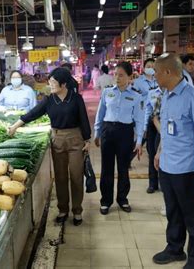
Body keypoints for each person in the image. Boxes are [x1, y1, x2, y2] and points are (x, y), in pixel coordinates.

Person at [151, 53, 194, 269]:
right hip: (168, 166)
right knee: (173, 211)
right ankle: (174, 248)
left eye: (156, 72)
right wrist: (160, 152)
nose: (154, 76)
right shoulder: (167, 95)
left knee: (193, 215)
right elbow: (168, 131)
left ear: (168, 72)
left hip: (187, 169)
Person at [9, 68, 91, 226]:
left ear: (64, 83)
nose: (50, 85)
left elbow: (83, 119)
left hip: (75, 140)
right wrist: (15, 126)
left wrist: (87, 140)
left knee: (76, 176)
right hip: (57, 139)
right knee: (60, 177)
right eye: (50, 82)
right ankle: (63, 210)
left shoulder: (76, 98)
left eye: (53, 82)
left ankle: (77, 211)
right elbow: (33, 114)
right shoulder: (49, 100)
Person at [94, 62, 142, 215]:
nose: (117, 78)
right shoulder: (107, 92)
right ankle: (105, 201)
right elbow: (100, 113)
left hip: (125, 132)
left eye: (121, 75)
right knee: (106, 168)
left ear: (130, 77)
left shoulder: (136, 96)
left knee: (123, 168)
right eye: (115, 74)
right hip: (108, 130)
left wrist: (139, 140)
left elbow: (139, 120)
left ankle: (122, 199)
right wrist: (97, 132)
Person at [132, 59, 158, 163]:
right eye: (148, 66)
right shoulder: (138, 82)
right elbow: (134, 98)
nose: (151, 68)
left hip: (157, 114)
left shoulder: (158, 80)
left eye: (153, 66)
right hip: (143, 113)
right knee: (143, 135)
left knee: (151, 138)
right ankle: (132, 154)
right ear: (144, 68)